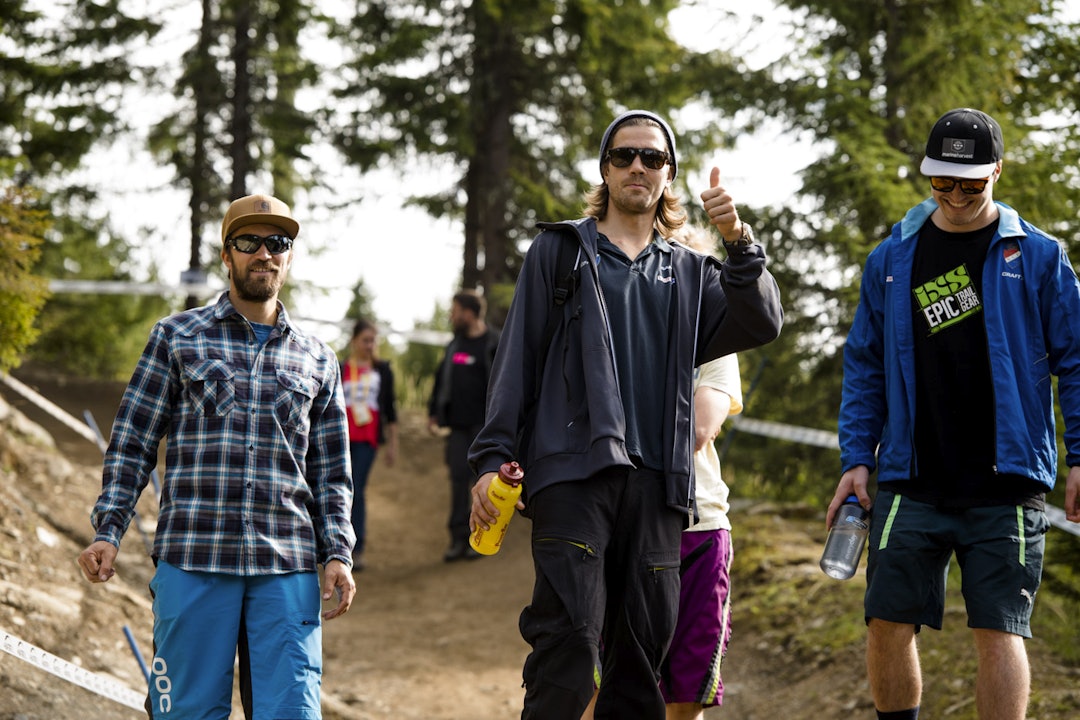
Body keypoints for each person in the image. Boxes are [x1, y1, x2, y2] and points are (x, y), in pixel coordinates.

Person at [467, 109, 783, 719]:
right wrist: (489, 459)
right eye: (624, 156)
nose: (638, 166)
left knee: (641, 667)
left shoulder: (692, 273)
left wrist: (739, 239)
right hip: (571, 478)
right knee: (570, 648)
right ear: (605, 170)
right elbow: (517, 363)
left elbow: (762, 320)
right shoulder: (559, 252)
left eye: (653, 158)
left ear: (669, 176)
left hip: (660, 488)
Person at [831, 107, 1080, 720]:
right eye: (944, 182)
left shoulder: (1040, 258)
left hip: (1008, 480)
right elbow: (864, 365)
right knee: (887, 620)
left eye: (973, 182)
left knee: (1001, 629)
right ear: (928, 175)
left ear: (998, 170)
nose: (958, 195)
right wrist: (858, 459)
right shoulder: (891, 258)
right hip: (911, 479)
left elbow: (1076, 361)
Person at [77, 193, 356, 719]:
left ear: (288, 257)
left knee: (291, 714)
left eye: (277, 243)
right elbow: (133, 440)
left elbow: (331, 473)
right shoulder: (176, 337)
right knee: (185, 713)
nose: (264, 253)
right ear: (227, 255)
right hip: (194, 560)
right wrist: (108, 529)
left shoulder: (320, 359)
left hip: (286, 568)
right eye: (248, 242)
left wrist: (338, 551)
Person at [428, 289, 500, 562]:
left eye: (455, 311)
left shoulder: (495, 342)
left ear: (469, 313)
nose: (451, 316)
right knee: (458, 482)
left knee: (484, 487)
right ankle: (458, 540)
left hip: (486, 428)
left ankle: (480, 540)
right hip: (457, 427)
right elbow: (440, 379)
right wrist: (434, 412)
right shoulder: (454, 346)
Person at [342, 317, 398, 572]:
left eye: (373, 340)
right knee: (339, 489)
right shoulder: (341, 367)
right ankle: (335, 545)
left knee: (356, 488)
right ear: (354, 341)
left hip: (368, 439)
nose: (369, 345)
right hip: (341, 437)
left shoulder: (383, 370)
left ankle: (357, 547)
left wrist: (393, 443)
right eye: (365, 340)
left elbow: (390, 409)